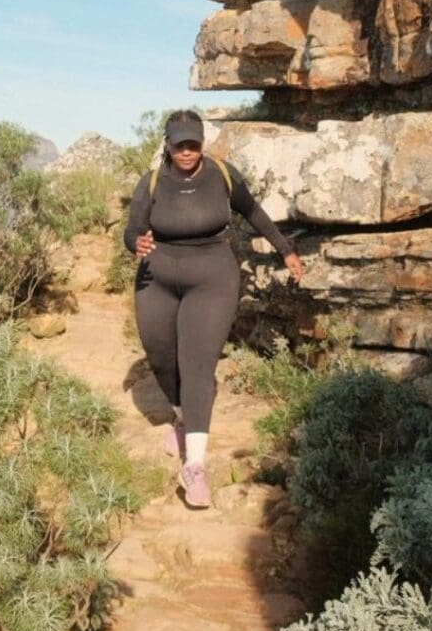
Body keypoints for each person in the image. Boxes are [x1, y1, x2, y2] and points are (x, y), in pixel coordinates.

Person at [123, 110, 304, 508]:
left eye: (194, 143)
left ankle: (196, 466)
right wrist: (136, 244)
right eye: (179, 144)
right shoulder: (151, 182)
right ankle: (181, 415)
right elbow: (131, 230)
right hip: (158, 276)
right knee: (161, 356)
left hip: (212, 276)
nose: (187, 151)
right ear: (167, 145)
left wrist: (286, 249)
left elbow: (254, 212)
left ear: (202, 143)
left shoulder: (222, 174)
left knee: (198, 363)